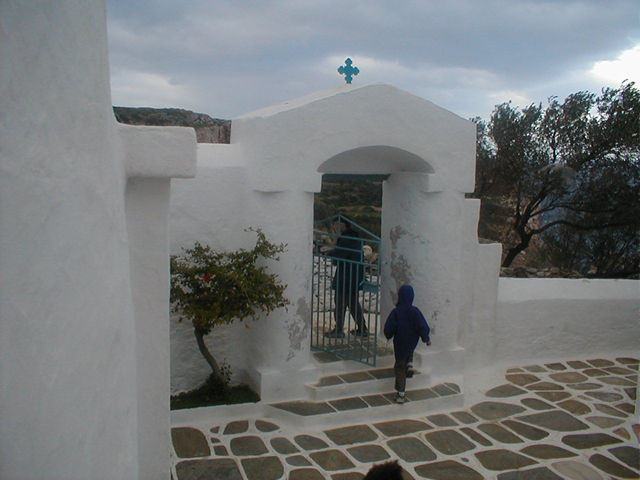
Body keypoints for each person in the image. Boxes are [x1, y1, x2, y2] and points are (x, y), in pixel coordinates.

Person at [383, 285, 430, 404]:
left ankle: (401, 394)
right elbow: (422, 326)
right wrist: (426, 339)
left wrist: (388, 335)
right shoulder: (415, 311)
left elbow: (389, 327)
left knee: (399, 366)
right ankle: (409, 364)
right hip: (412, 341)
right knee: (409, 351)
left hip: (400, 342)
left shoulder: (396, 312)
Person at [324, 219, 367, 338]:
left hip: (346, 276)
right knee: (353, 303)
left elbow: (340, 254)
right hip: (354, 275)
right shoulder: (354, 238)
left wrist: (328, 253)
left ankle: (338, 330)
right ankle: (363, 329)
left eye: (336, 225)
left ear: (343, 226)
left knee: (340, 303)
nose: (335, 228)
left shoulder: (346, 238)